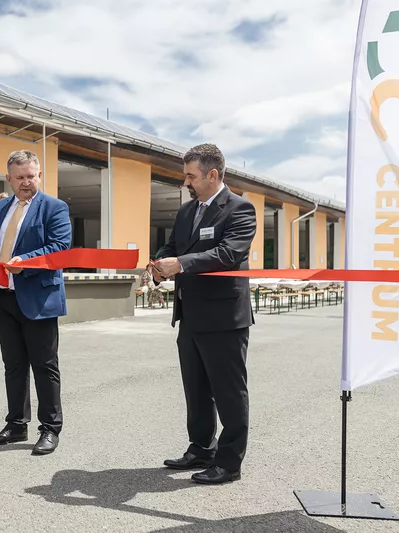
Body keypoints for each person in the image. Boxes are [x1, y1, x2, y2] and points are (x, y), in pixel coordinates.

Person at [153, 143, 256, 484]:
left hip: (225, 318)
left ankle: (228, 463)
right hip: (190, 315)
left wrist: (180, 264)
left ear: (213, 175)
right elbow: (172, 247)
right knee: (195, 390)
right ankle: (200, 449)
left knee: (228, 392)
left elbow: (228, 254)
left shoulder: (240, 209)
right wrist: (158, 265)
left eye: (191, 176)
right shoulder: (187, 211)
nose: (186, 182)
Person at [0, 150, 71, 455]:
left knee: (44, 365)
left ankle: (50, 428)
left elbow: (60, 247)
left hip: (38, 298)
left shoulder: (54, 207)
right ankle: (16, 425)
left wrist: (24, 261)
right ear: (9, 178)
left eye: (32, 176)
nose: (26, 182)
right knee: (13, 365)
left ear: (39, 175)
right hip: (3, 296)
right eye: (20, 177)